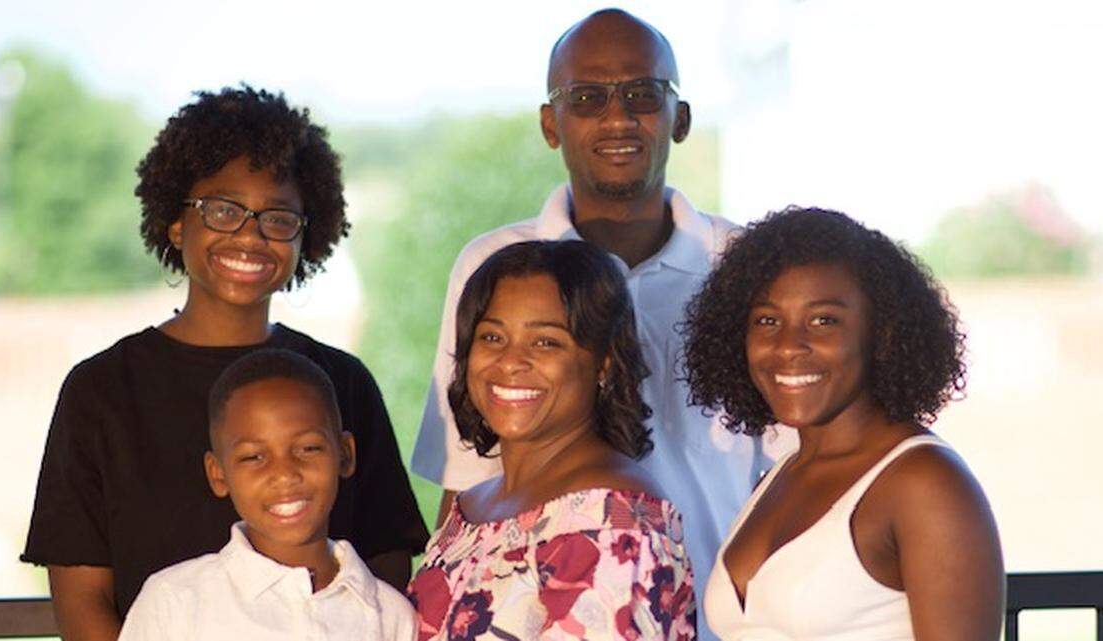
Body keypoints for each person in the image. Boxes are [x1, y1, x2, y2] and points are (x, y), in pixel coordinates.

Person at [410, 12, 790, 637]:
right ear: (550, 124)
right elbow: (468, 471)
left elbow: (798, 472)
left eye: (643, 94)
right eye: (586, 97)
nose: (617, 118)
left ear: (682, 118)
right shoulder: (494, 266)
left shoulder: (746, 270)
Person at [21, 85, 427, 640]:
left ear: (307, 237)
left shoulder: (342, 381)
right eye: (222, 209)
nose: (250, 235)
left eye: (278, 217)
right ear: (175, 223)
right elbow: (82, 603)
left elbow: (383, 571)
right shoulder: (102, 391)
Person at [682, 208, 1004, 640]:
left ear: (882, 333)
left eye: (824, 320)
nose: (789, 346)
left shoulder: (925, 484)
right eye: (767, 321)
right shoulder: (779, 477)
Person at [408, 240, 696, 641]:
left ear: (604, 362)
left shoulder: (614, 522)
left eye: (545, 342)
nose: (510, 361)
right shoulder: (473, 506)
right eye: (492, 337)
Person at [118, 349, 416, 641]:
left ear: (345, 454)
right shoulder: (175, 602)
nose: (285, 474)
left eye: (308, 448)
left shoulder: (390, 616)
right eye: (254, 457)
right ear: (218, 473)